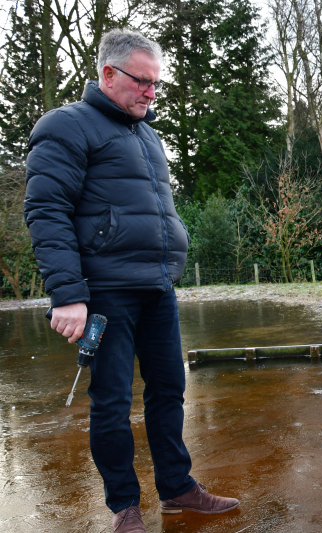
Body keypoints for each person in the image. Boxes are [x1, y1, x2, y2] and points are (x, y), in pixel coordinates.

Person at [24, 29, 238, 532]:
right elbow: (46, 210)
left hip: (156, 286)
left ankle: (178, 488)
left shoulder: (146, 134)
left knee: (169, 389)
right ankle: (125, 506)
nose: (150, 92)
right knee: (113, 401)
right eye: (142, 81)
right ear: (107, 74)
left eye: (156, 84)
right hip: (104, 291)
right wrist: (68, 294)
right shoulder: (66, 126)